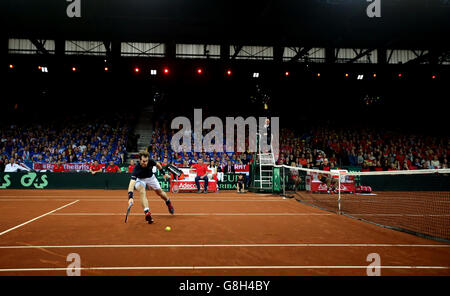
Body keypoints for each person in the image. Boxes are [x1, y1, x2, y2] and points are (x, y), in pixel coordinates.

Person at [127, 151, 174, 224]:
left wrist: (163, 173)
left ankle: (168, 202)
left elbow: (158, 165)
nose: (145, 163)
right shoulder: (136, 168)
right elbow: (131, 183)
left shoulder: (151, 161)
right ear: (140, 160)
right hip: (140, 180)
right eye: (143, 161)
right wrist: (130, 197)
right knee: (142, 191)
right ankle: (147, 212)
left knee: (160, 193)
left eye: (146, 161)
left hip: (151, 178)